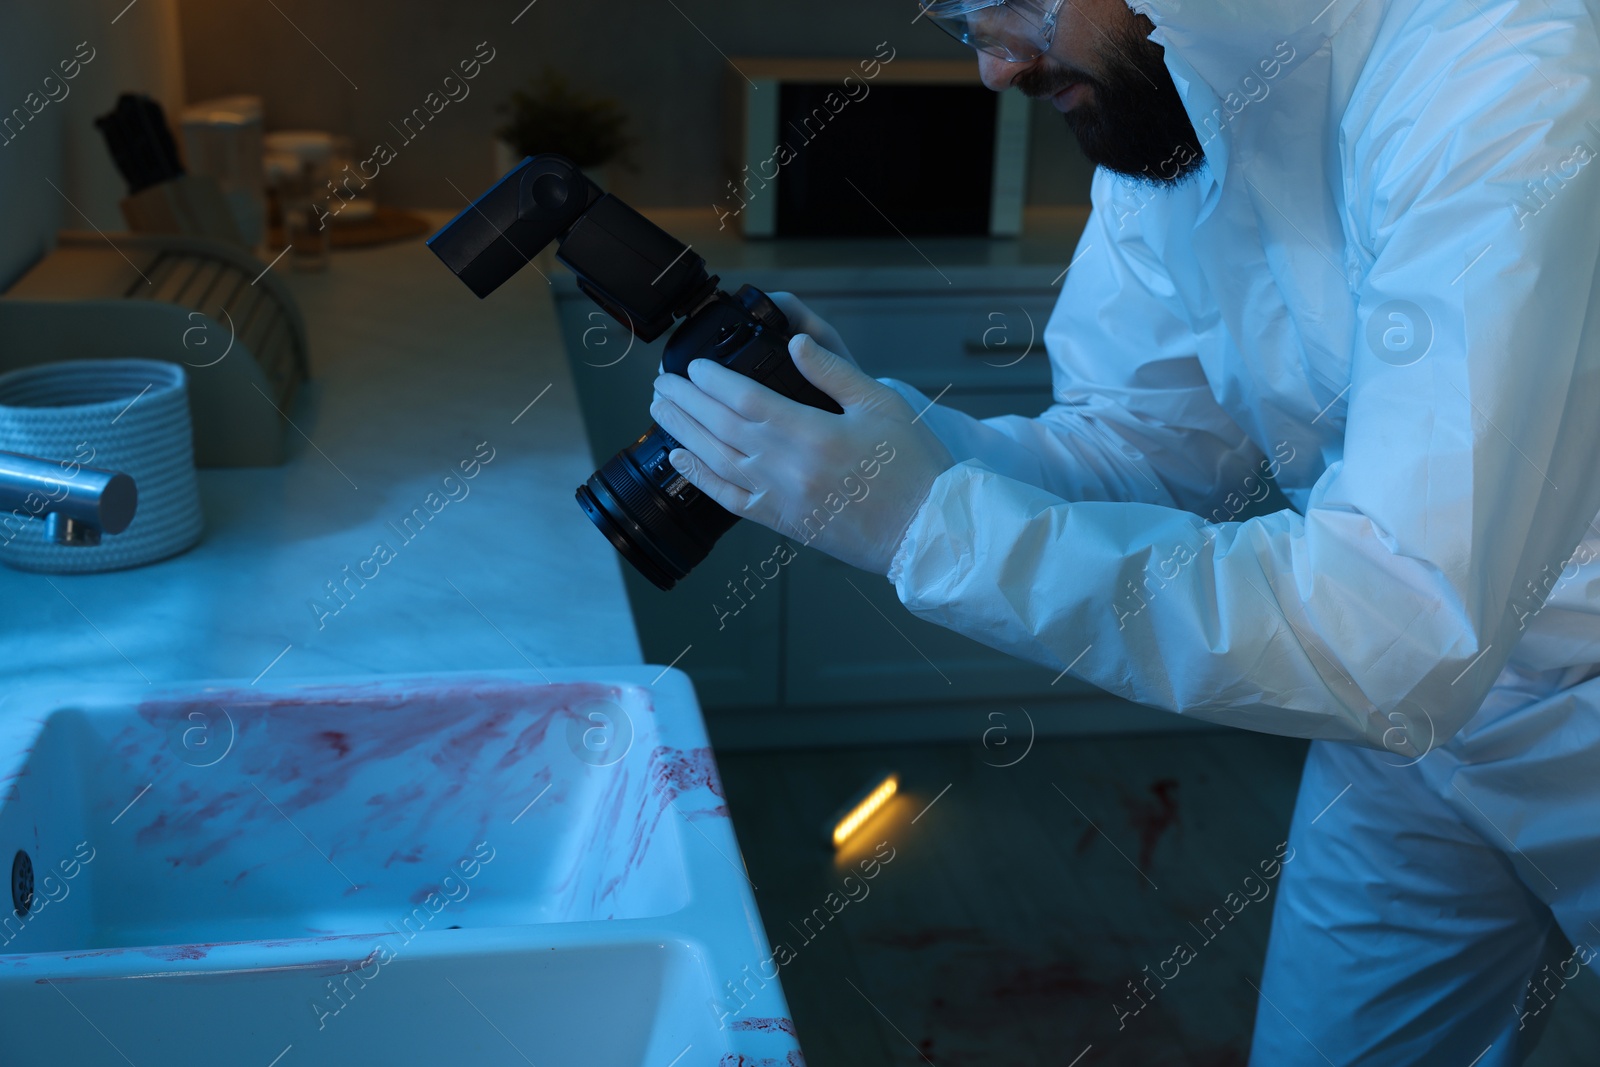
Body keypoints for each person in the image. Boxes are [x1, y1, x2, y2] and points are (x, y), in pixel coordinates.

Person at [649, 0, 1600, 1061]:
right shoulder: (1181, 98)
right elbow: (1142, 443)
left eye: (1000, 4)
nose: (993, 67)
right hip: (1411, 739)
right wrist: (885, 437)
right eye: (955, 19)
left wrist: (928, 521)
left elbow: (1397, 616)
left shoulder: (1511, 80)